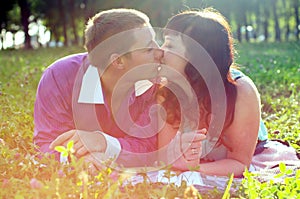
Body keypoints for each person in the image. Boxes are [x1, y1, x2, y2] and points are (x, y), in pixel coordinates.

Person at [156, 8, 298, 177]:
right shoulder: (166, 90)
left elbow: (239, 163)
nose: (160, 51)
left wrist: (192, 169)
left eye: (169, 45)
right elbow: (164, 156)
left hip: (245, 158)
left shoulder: (240, 91)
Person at [33, 8, 164, 169]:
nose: (161, 51)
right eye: (149, 49)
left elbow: (149, 146)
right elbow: (48, 143)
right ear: (118, 61)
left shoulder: (156, 83)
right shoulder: (60, 77)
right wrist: (80, 161)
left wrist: (102, 143)